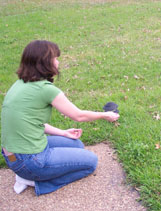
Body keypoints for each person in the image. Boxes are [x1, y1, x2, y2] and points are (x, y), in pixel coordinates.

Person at [1, 40, 119, 196]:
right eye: (55, 58)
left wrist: (63, 133)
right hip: (30, 160)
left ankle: (27, 173)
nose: (58, 61)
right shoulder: (45, 89)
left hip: (15, 157)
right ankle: (36, 181)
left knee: (76, 144)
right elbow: (79, 115)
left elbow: (33, 123)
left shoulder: (20, 84)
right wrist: (106, 115)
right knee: (90, 163)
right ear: (45, 62)